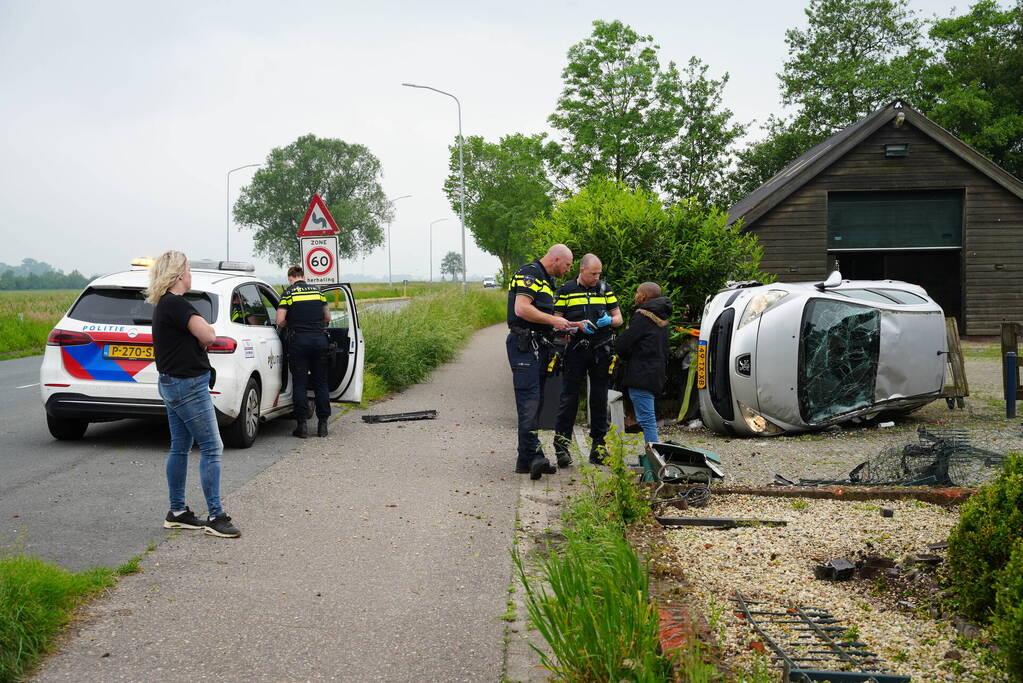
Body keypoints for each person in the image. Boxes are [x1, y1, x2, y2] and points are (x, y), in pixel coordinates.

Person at [147, 251, 240, 539]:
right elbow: (209, 335)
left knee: (180, 447)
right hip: (188, 385)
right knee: (212, 447)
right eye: (188, 270)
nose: (190, 274)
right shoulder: (177, 304)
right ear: (178, 275)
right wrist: (204, 336)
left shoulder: (164, 304)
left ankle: (177, 512)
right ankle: (215, 516)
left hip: (172, 382)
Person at [507, 244, 584, 480]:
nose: (568, 270)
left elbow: (540, 317)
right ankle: (535, 455)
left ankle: (525, 460)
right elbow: (521, 309)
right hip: (524, 346)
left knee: (536, 403)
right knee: (529, 402)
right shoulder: (530, 274)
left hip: (537, 346)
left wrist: (566, 327)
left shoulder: (546, 281)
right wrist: (553, 320)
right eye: (568, 265)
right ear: (556, 259)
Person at [552, 254, 623, 466]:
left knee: (599, 399)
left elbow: (619, 318)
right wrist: (576, 325)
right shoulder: (566, 290)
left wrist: (609, 321)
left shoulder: (605, 289)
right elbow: (556, 321)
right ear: (582, 270)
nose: (596, 277)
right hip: (575, 349)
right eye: (593, 274)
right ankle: (562, 447)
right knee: (569, 398)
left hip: (601, 350)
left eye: (599, 273)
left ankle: (599, 448)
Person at [276, 265, 332, 438]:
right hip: (319, 341)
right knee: (321, 383)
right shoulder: (318, 292)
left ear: (290, 278)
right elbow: (328, 317)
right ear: (303, 276)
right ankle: (323, 425)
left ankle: (302, 426)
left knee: (300, 384)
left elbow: (280, 320)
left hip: (299, 342)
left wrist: (293, 324)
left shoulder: (289, 293)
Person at [615, 282, 672, 446]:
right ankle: (652, 453)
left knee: (647, 420)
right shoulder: (662, 316)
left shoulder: (642, 316)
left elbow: (624, 343)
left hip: (641, 373)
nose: (635, 295)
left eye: (637, 292)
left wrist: (621, 352)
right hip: (655, 372)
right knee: (647, 417)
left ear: (644, 296)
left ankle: (653, 456)